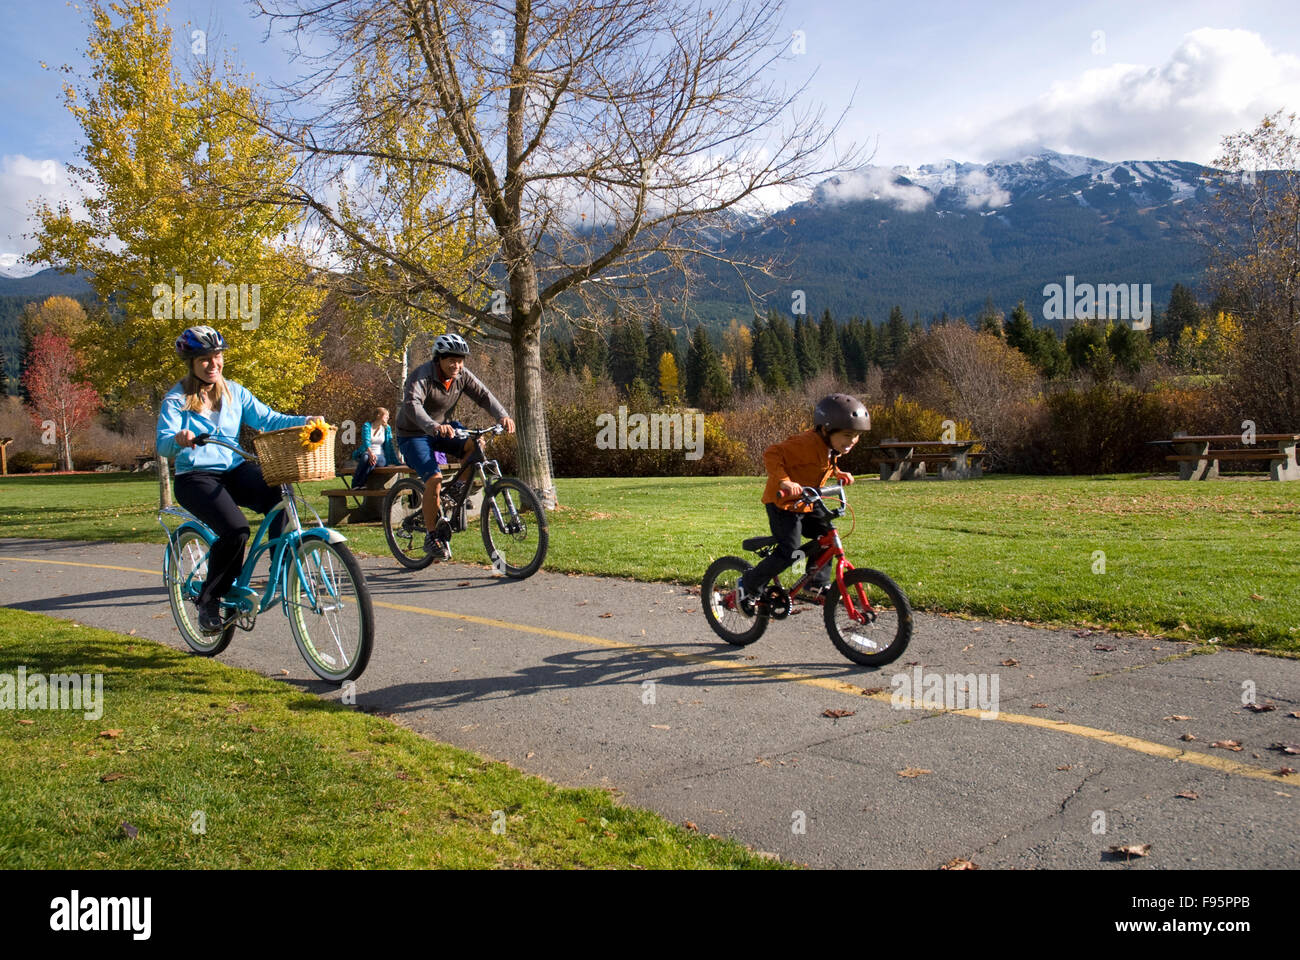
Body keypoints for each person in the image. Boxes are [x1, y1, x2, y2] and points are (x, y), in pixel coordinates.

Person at [156, 325, 322, 632]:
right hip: (195, 476)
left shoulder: (235, 392)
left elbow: (269, 419)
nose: (213, 364)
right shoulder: (176, 399)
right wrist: (179, 438)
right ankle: (210, 598)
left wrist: (306, 420)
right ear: (191, 363)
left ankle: (282, 566)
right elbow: (163, 443)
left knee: (278, 493)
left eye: (217, 356)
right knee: (235, 530)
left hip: (232, 468)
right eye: (204, 359)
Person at [735, 394, 868, 611]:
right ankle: (748, 584)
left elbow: (818, 466)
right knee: (789, 550)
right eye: (847, 435)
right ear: (825, 430)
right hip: (784, 504)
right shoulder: (804, 444)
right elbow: (771, 454)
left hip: (807, 501)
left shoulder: (831, 447)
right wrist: (785, 481)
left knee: (826, 536)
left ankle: (816, 584)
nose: (852, 441)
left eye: (856, 436)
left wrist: (838, 472)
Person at [394, 333, 514, 559]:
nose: (456, 365)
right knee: (434, 479)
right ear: (438, 359)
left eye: (460, 360)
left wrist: (502, 416)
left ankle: (458, 489)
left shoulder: (462, 376)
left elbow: (484, 395)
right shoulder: (421, 376)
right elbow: (412, 405)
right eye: (451, 360)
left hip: (443, 428)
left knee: (475, 445)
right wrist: (432, 426)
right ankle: (432, 537)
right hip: (414, 434)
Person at [350, 406, 400, 489]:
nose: (388, 417)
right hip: (368, 453)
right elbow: (366, 441)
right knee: (366, 457)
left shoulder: (387, 428)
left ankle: (358, 483)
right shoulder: (367, 425)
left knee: (371, 458)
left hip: (381, 457)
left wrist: (396, 461)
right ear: (379, 415)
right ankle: (358, 485)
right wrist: (370, 453)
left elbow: (390, 446)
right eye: (386, 415)